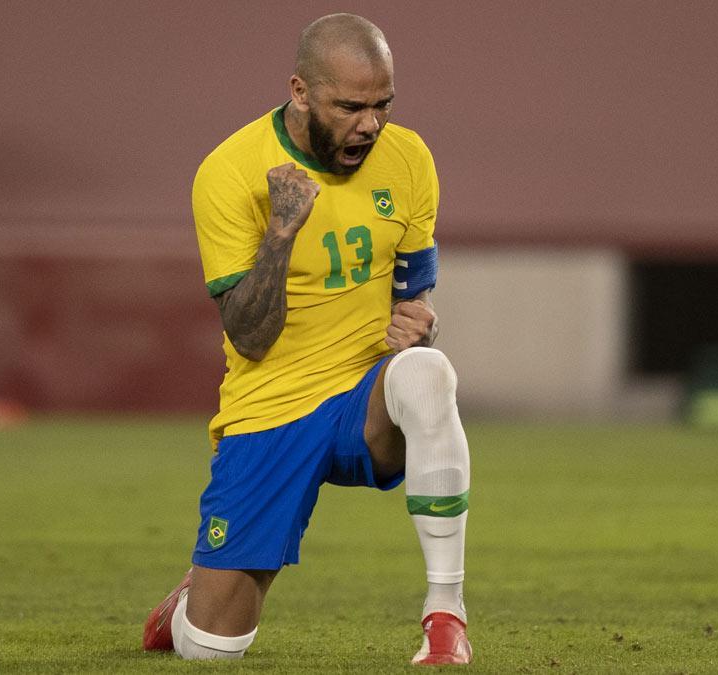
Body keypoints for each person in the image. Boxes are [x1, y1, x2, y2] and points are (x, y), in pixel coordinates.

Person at [141, 14, 472, 665]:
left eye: (382, 105)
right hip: (271, 406)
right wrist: (282, 232)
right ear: (300, 91)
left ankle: (445, 615)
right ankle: (188, 606)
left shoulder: (408, 161)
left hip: (362, 400)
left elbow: (416, 298)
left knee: (428, 372)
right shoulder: (231, 172)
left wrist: (420, 323)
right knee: (211, 648)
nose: (370, 124)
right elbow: (250, 335)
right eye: (351, 106)